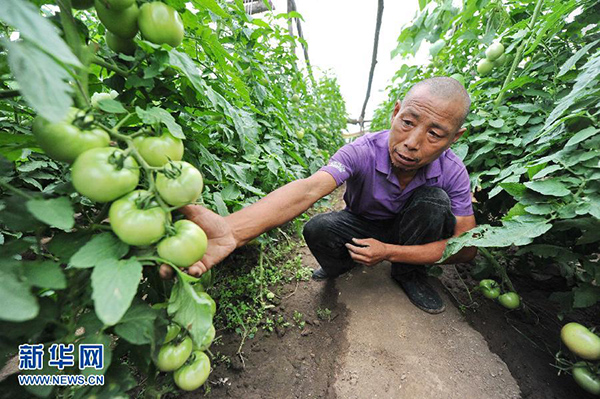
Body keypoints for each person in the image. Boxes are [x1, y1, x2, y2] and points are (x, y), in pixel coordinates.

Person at [159, 76, 477, 314]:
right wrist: (233, 229)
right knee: (318, 228)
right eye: (407, 123)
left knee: (435, 202)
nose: (412, 141)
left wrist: (390, 252)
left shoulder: (453, 170)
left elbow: (466, 248)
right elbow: (310, 187)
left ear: (455, 137)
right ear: (395, 113)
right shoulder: (362, 150)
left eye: (435, 134)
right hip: (363, 222)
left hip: (410, 232)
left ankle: (409, 275)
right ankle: (342, 265)